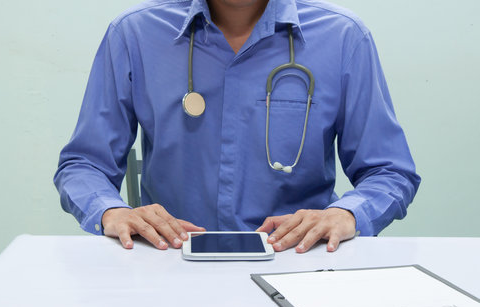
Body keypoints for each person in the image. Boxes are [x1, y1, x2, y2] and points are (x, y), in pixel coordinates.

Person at [54, 0, 421, 253]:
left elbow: (389, 171)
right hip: (168, 263)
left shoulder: (343, 37)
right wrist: (111, 211)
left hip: (301, 263)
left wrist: (348, 214)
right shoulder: (134, 34)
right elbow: (85, 164)